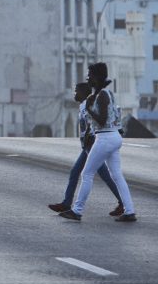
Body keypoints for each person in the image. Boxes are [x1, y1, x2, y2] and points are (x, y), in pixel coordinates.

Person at [59, 62, 137, 222]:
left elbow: (101, 120)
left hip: (105, 137)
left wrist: (88, 109)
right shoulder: (103, 94)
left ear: (97, 77)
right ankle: (129, 211)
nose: (88, 78)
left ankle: (77, 211)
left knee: (86, 173)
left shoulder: (102, 96)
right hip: (112, 136)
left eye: (90, 75)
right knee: (117, 175)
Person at [48, 80, 122, 216]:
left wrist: (90, 138)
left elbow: (92, 123)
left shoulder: (86, 106)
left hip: (92, 144)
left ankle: (122, 202)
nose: (74, 94)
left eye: (76, 91)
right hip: (88, 145)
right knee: (75, 172)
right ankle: (66, 203)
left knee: (102, 175)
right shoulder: (84, 105)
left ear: (83, 93)